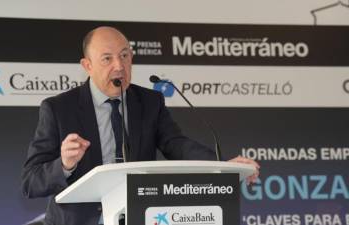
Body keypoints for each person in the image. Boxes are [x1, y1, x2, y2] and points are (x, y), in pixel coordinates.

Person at [21, 26, 260, 225]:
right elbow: (31, 181)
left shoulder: (149, 102)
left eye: (125, 55)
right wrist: (64, 164)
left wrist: (222, 166)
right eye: (107, 58)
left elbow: (175, 144)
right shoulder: (59, 108)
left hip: (138, 215)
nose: (119, 65)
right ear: (87, 66)